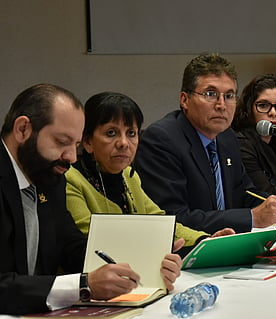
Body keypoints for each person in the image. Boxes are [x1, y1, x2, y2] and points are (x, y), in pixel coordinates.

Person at [0, 84, 179, 315]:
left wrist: (147, 263)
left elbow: (70, 245)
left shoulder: (49, 177)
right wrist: (82, 286)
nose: (72, 158)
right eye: (62, 142)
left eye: (75, 145)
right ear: (23, 129)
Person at [135, 53, 276, 234]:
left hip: (227, 242)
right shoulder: (161, 140)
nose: (221, 105)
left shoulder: (226, 137)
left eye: (229, 96)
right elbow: (173, 218)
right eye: (210, 94)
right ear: (184, 100)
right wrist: (252, 217)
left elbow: (246, 194)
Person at [65, 92, 234, 257]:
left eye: (131, 133)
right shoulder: (71, 180)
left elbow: (159, 222)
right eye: (111, 133)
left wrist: (204, 240)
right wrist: (157, 246)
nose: (124, 143)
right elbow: (92, 241)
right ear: (87, 142)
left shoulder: (129, 177)